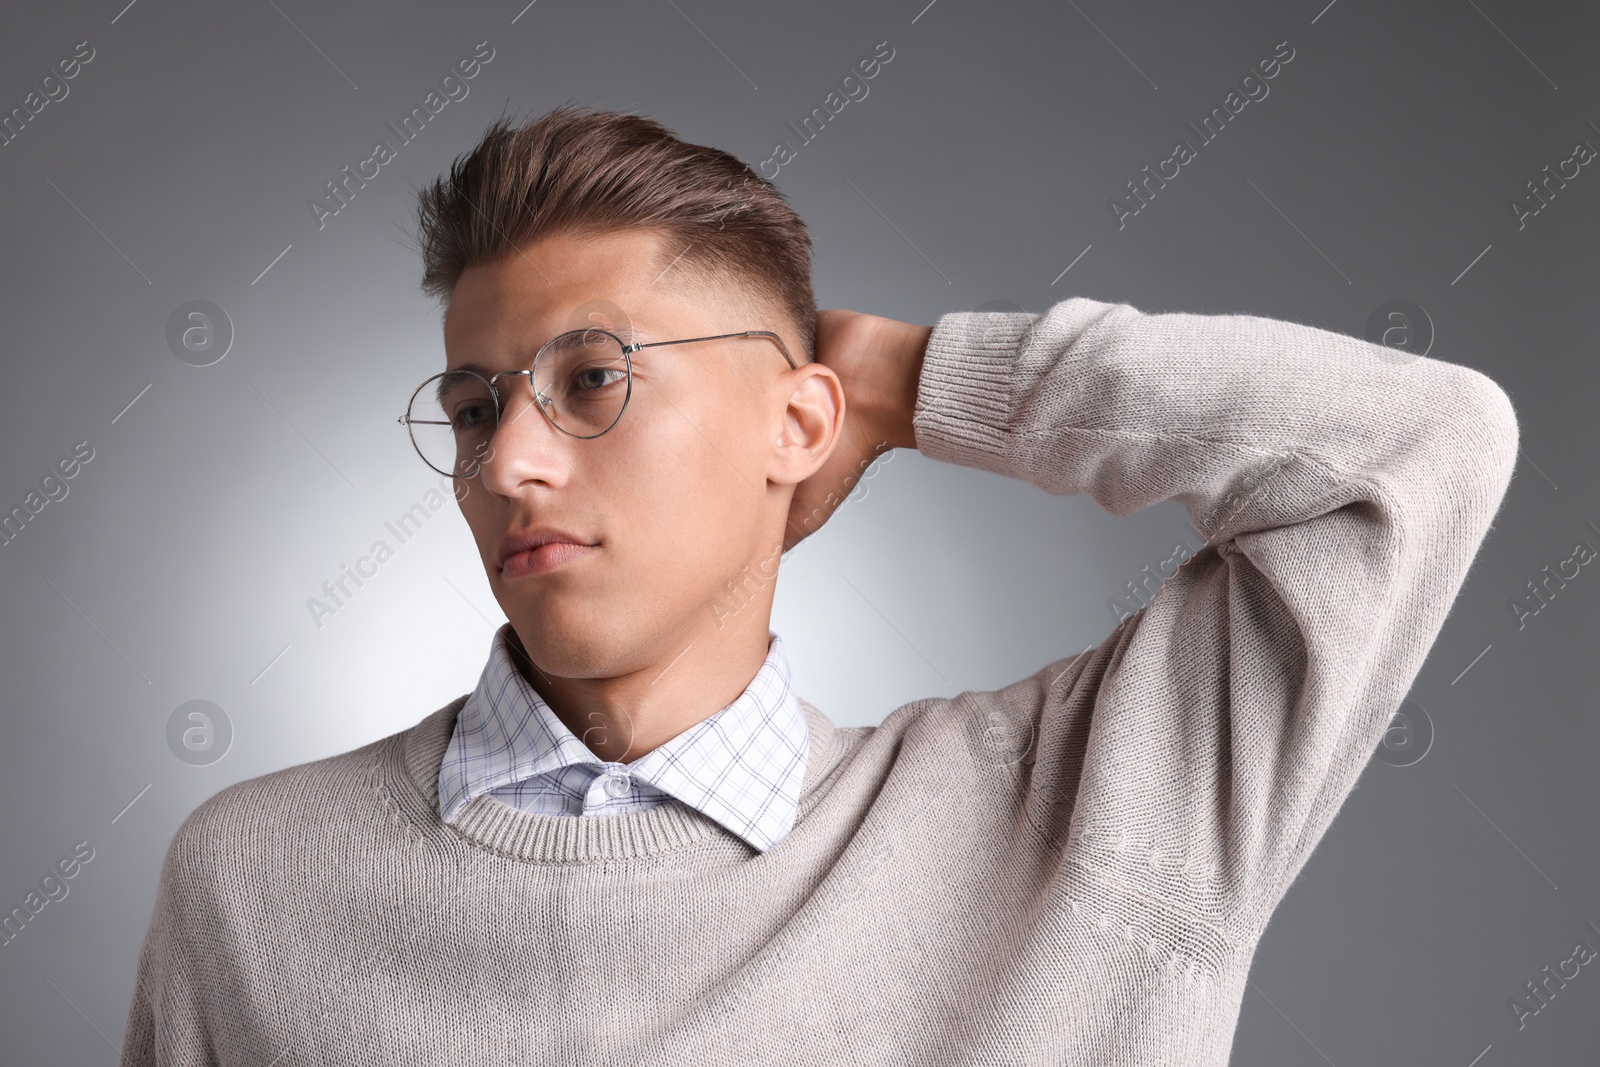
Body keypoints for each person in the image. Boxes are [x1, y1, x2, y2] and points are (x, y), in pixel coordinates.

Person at [120, 104, 1519, 1065]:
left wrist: (915, 382)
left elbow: (1410, 448)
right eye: (476, 408)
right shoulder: (255, 881)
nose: (511, 466)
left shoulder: (1084, 816)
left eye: (591, 381)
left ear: (797, 424)